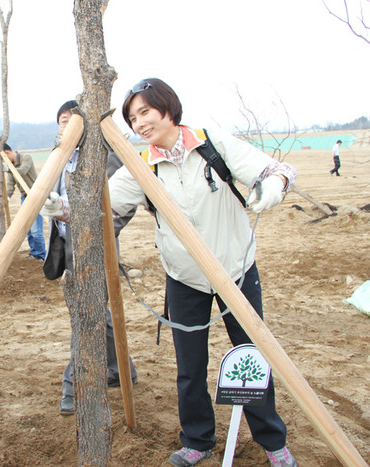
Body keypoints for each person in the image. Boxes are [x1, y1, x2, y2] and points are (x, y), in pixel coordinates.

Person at [108, 78, 297, 467]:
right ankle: (197, 441)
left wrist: (273, 187)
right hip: (184, 278)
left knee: (250, 357)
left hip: (236, 271)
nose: (140, 123)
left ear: (168, 107)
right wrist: (64, 210)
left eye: (145, 111)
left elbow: (277, 170)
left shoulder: (213, 144)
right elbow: (104, 207)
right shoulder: (141, 166)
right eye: (132, 118)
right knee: (189, 367)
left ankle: (273, 443)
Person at [41, 99, 138, 416]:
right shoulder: (59, 157)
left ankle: (74, 387)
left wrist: (101, 231)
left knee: (84, 318)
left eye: (73, 120)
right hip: (67, 250)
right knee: (97, 313)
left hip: (97, 250)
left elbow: (123, 207)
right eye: (62, 120)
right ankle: (123, 368)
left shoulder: (103, 158)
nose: (66, 126)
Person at [3, 142, 46, 261]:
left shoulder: (26, 158)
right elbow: (10, 183)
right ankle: (34, 253)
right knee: (27, 227)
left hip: (36, 195)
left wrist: (9, 169)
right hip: (24, 197)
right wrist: (8, 196)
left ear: (7, 153)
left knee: (36, 229)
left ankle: (41, 255)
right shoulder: (11, 165)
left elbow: (23, 171)